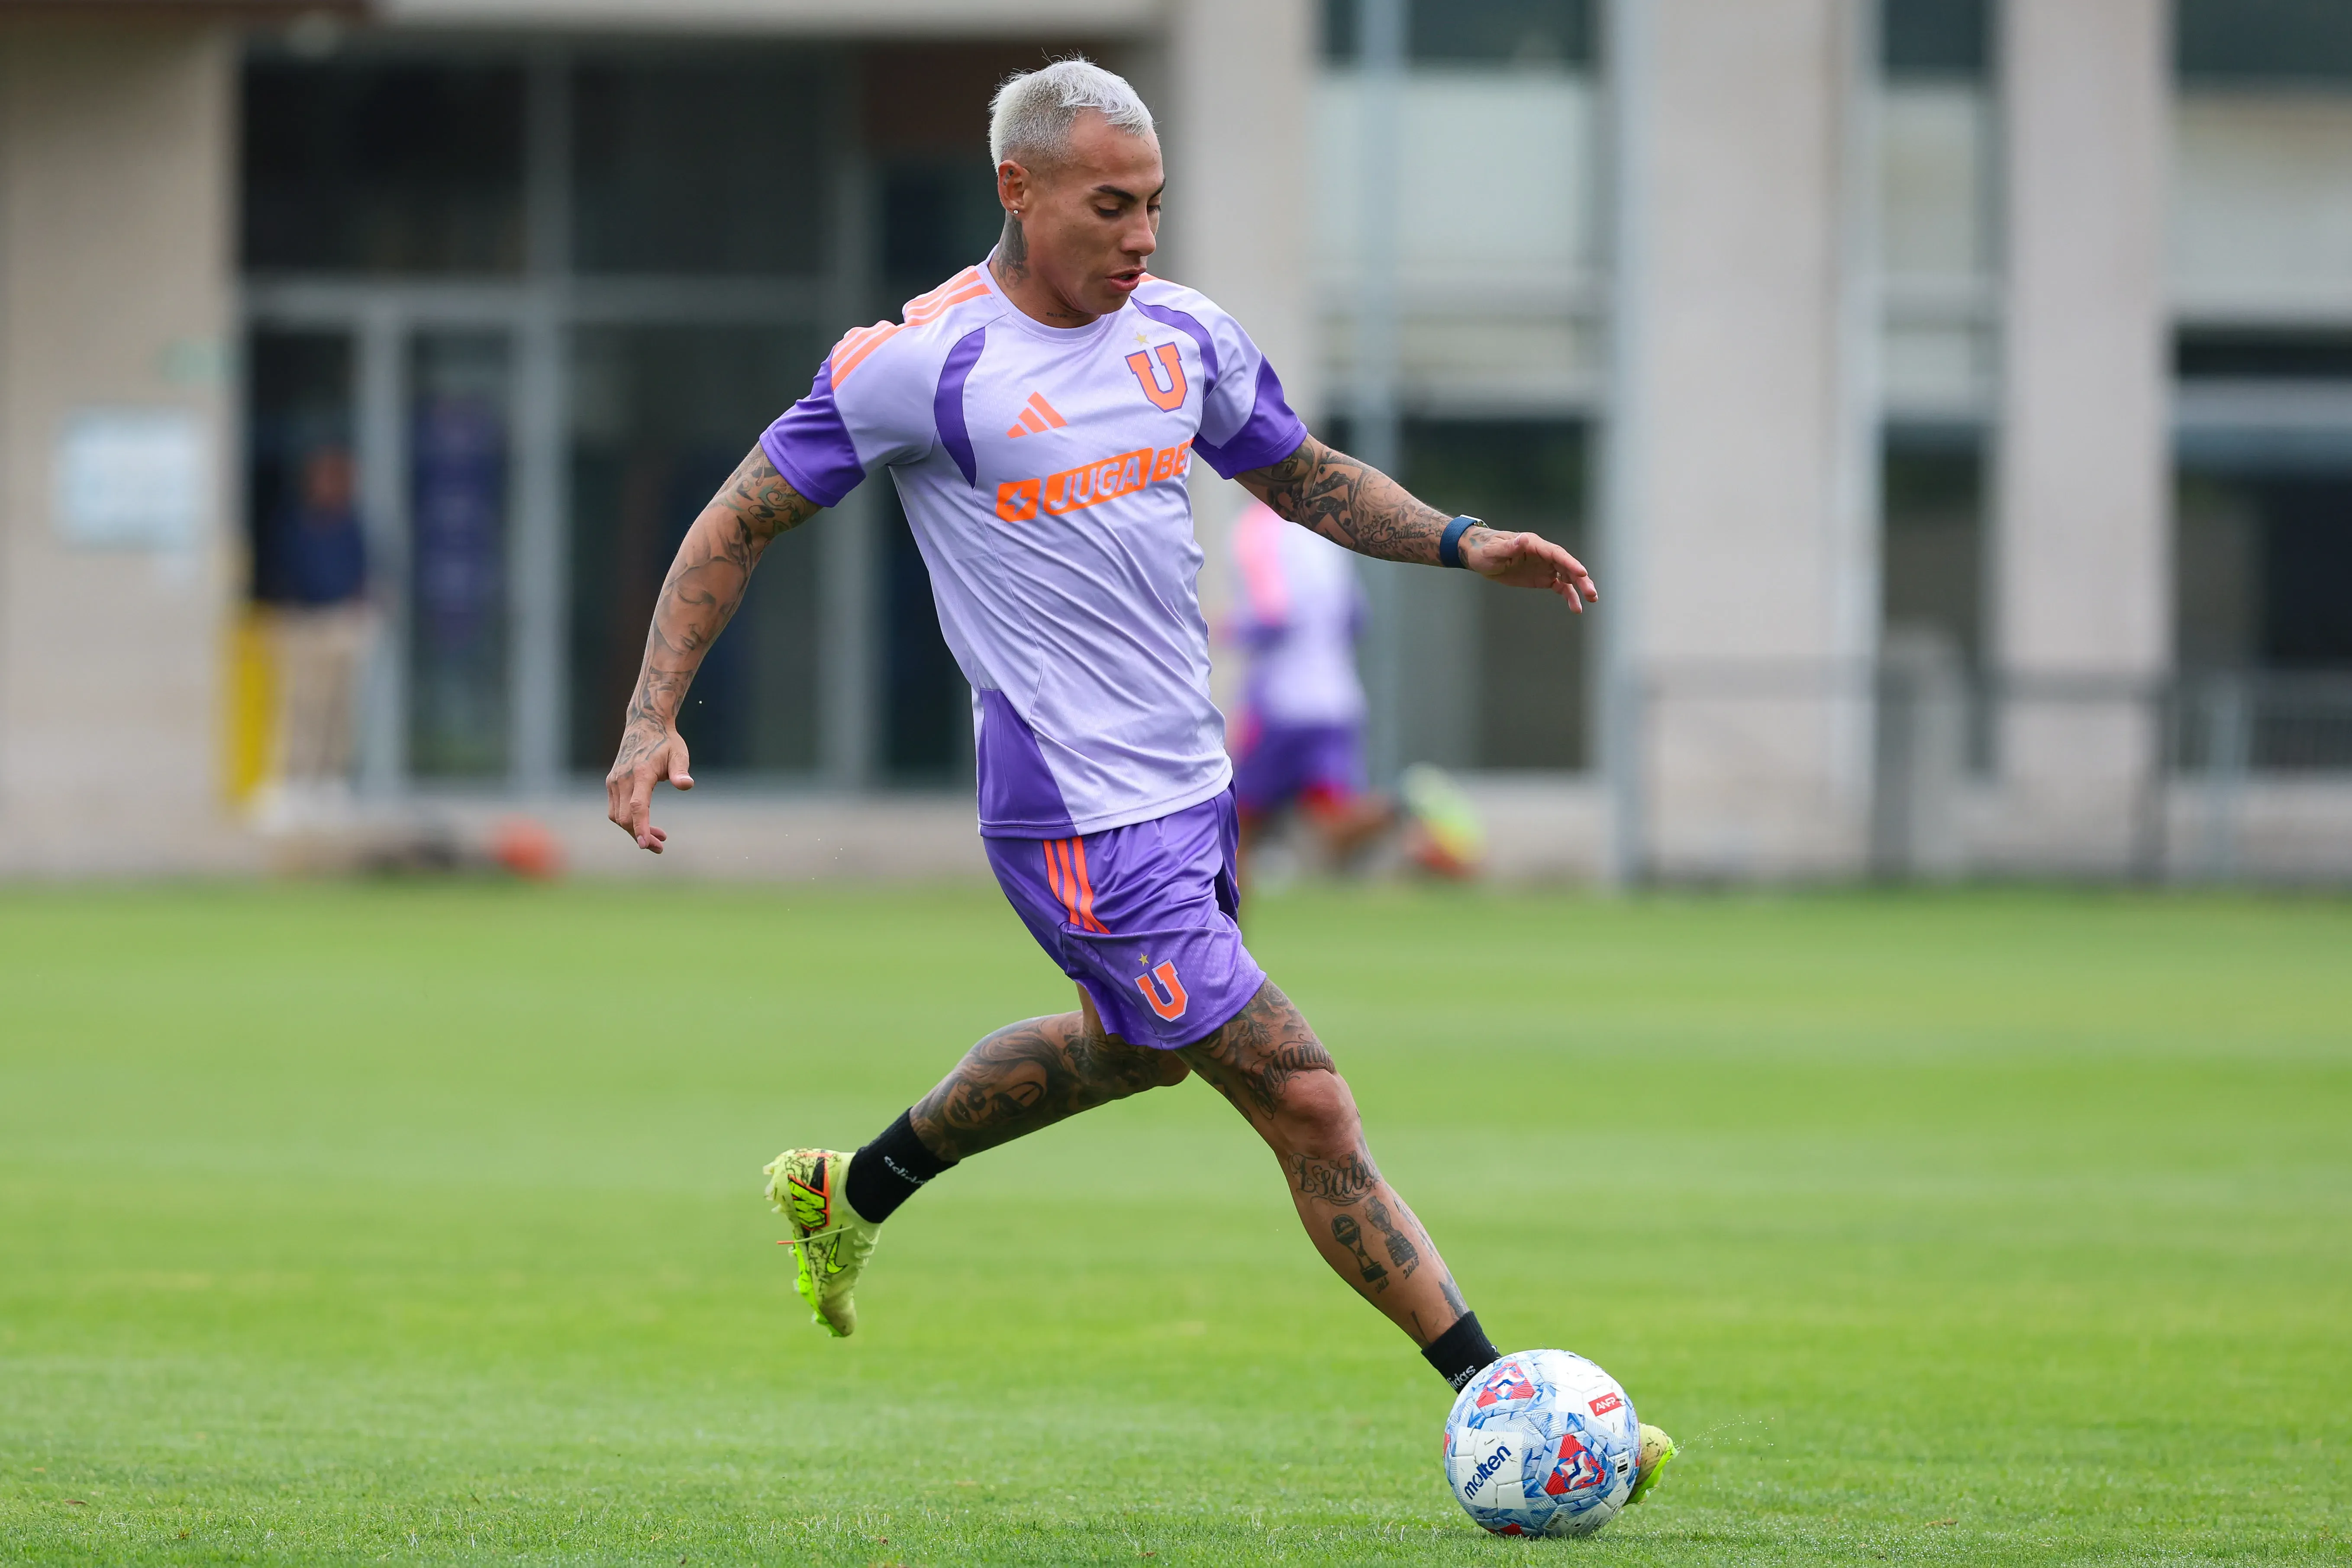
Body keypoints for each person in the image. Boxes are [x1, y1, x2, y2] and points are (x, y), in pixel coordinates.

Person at [603, 59, 1672, 1498]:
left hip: (1188, 790)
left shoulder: (1182, 338)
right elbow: (734, 523)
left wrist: (1460, 538)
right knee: (1307, 1103)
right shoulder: (918, 366)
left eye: (1155, 206)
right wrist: (649, 714)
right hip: (1069, 819)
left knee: (1141, 1049)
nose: (1141, 237)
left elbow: (1299, 475)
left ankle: (846, 1190)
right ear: (1017, 190)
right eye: (1110, 206)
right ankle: (1516, 1408)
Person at [1224, 500, 1397, 873]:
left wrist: (1213, 628)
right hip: (1336, 699)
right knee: (1332, 822)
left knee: (1234, 828)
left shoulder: (1257, 528)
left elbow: (1272, 621)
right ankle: (1402, 810)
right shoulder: (1326, 530)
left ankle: (1224, 931)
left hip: (1280, 704)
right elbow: (1356, 619)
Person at [261, 444, 372, 800]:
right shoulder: (293, 524)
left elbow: (366, 571)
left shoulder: (350, 525)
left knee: (337, 710)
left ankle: (330, 781)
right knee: (298, 707)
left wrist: (362, 609)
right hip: (301, 623)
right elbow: (277, 571)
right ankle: (292, 781)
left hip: (339, 622)